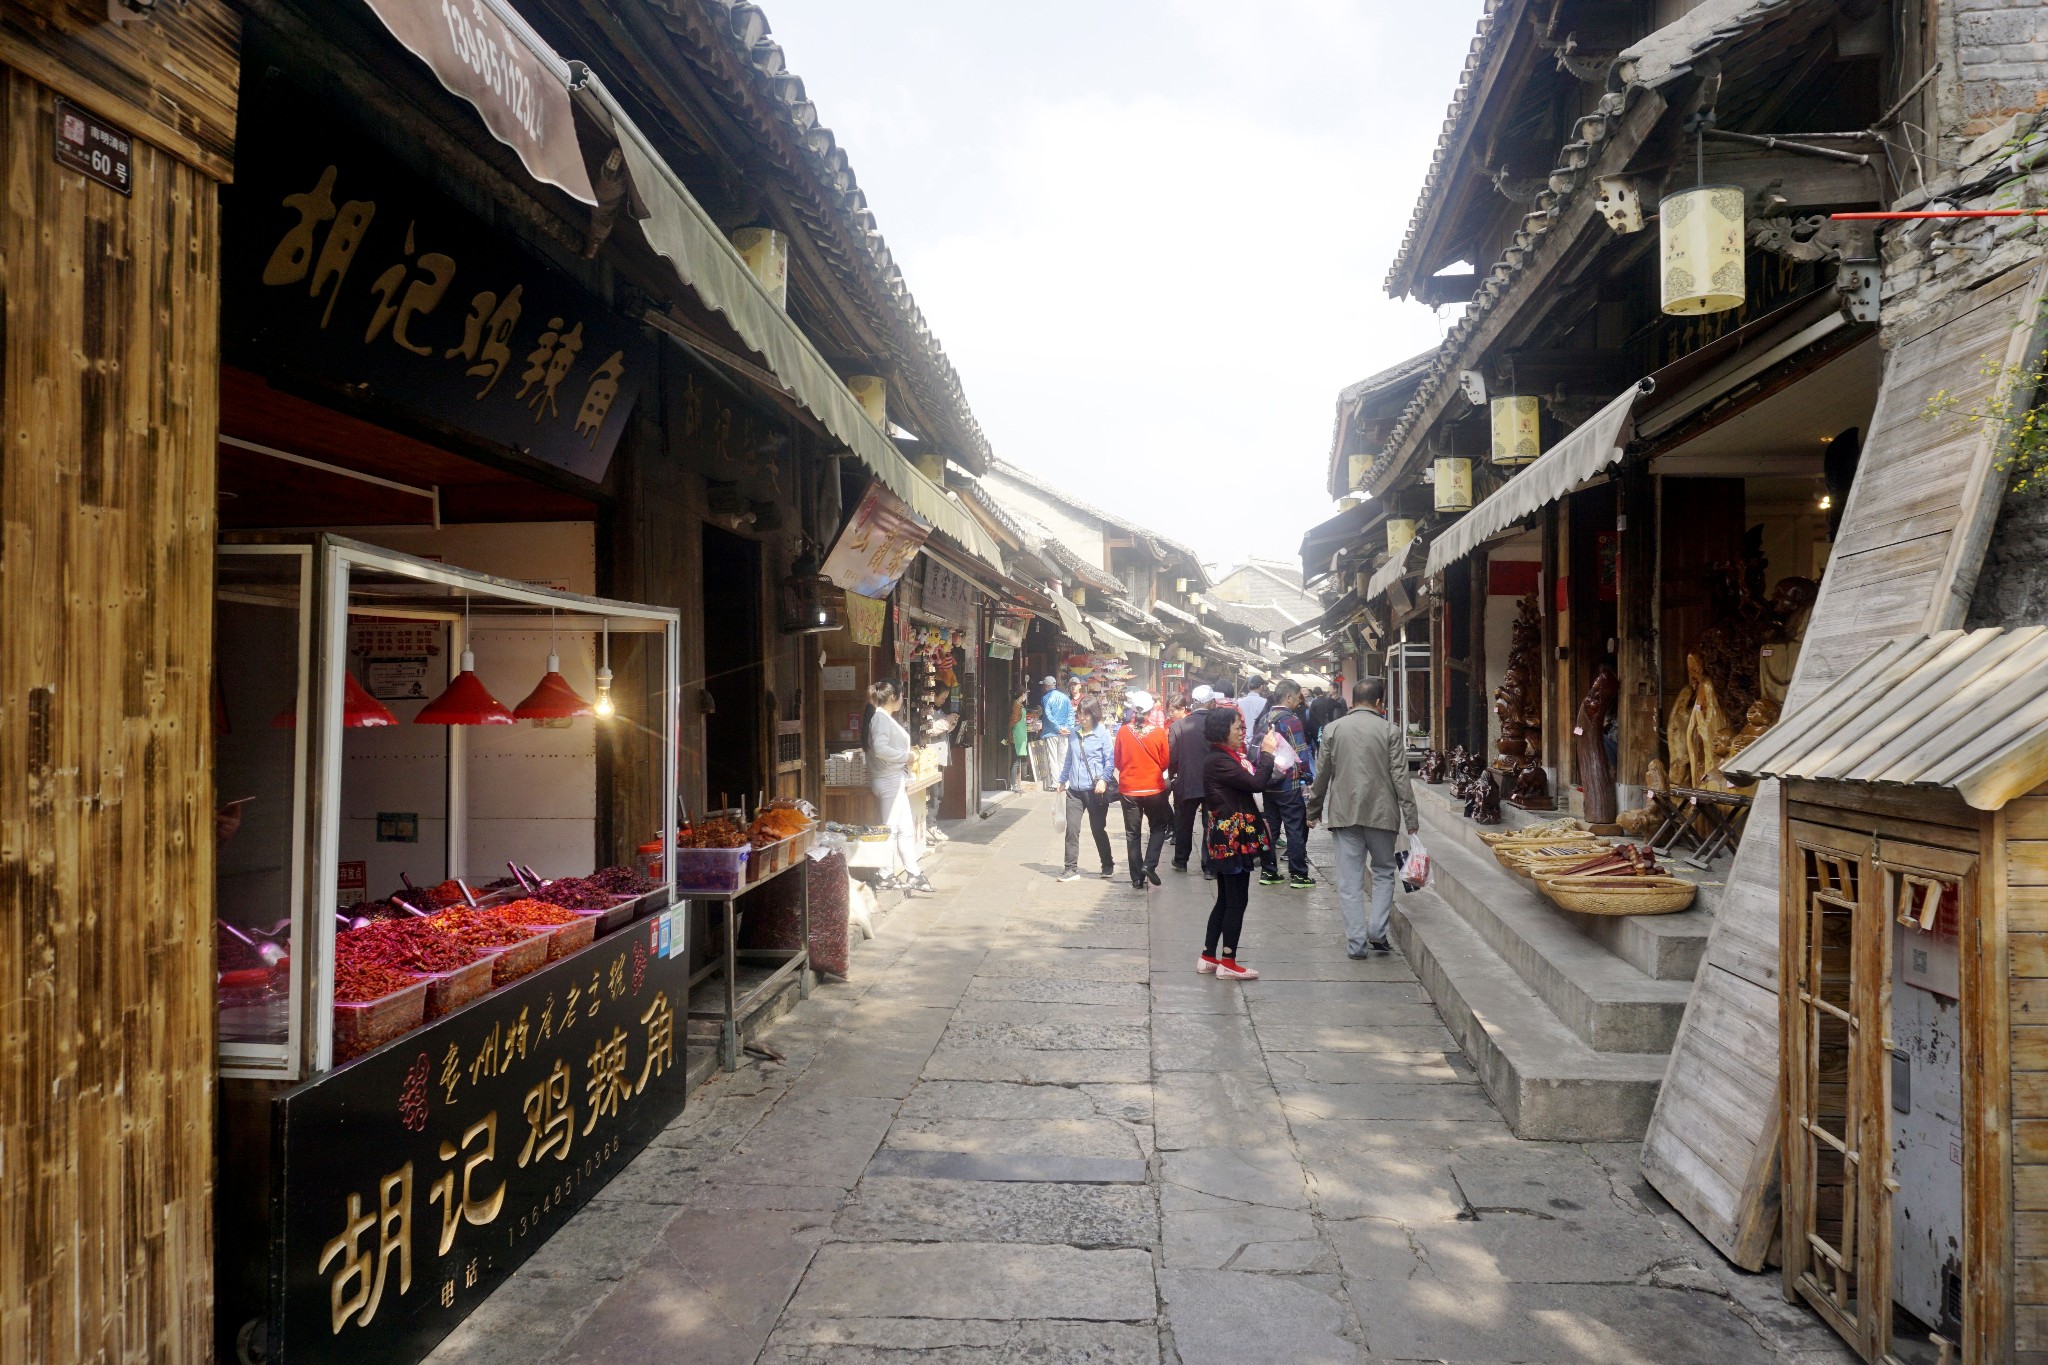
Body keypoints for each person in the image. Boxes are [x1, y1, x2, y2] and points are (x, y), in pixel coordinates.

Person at [1306, 677, 1418, 957]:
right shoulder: (1390, 730)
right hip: (1382, 814)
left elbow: (1322, 775)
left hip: (1344, 814)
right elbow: (1401, 778)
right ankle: (1377, 931)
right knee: (1383, 872)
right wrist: (1411, 819)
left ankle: (1356, 944)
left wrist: (1313, 810)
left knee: (1349, 881)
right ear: (1379, 702)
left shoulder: (1332, 729)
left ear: (1353, 702)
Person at [1199, 708, 1280, 980]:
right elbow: (1256, 783)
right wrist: (1268, 753)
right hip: (1232, 840)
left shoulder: (1223, 757)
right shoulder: (1220, 760)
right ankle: (1228, 962)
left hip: (1228, 838)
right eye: (1237, 728)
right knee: (1236, 901)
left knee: (1226, 899)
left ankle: (1208, 956)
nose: (1241, 733)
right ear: (1223, 731)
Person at [864, 680, 932, 894]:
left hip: (893, 779)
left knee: (904, 829)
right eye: (901, 696)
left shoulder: (883, 717)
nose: (903, 700)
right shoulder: (880, 718)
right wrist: (906, 757)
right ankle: (885, 875)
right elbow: (880, 749)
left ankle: (913, 873)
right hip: (888, 780)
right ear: (894, 697)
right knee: (891, 829)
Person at [1254, 681, 1316, 888]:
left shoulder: (1264, 718)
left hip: (1267, 781)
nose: (1299, 702)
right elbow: (1301, 752)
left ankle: (1268, 871)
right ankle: (1298, 874)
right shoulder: (1292, 720)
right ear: (1288, 697)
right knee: (1294, 828)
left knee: (1270, 829)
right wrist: (1308, 778)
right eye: (1298, 698)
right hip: (1289, 783)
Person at [1114, 690, 1172, 889]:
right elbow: (1164, 762)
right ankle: (1149, 864)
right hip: (1153, 788)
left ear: (1133, 710)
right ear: (1151, 710)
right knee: (1158, 827)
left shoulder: (1123, 731)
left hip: (1129, 789)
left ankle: (1136, 878)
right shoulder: (1158, 732)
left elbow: (1118, 761)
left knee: (1132, 833)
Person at [1058, 700, 1117, 882]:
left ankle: (1107, 864)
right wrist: (1062, 780)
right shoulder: (1074, 733)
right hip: (1074, 791)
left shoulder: (1102, 734)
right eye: (1080, 714)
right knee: (1072, 829)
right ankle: (1070, 868)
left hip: (1095, 791)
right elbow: (1069, 759)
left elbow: (1110, 761)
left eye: (1086, 714)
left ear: (1094, 714)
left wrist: (1104, 780)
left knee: (1097, 829)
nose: (1082, 718)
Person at [1168, 685, 1215, 874]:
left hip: (1187, 782)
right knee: (1210, 823)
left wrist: (1173, 777)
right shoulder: (1217, 724)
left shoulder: (1177, 726)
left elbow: (1172, 758)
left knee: (1184, 823)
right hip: (1213, 783)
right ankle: (1209, 866)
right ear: (1211, 703)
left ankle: (1181, 860)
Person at [1039, 673, 1075, 784]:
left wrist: (1058, 728)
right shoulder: (1065, 697)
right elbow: (1071, 714)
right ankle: (1065, 782)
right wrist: (1067, 728)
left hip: (1051, 733)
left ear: (1046, 686)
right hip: (1064, 733)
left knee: (1052, 759)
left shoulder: (1046, 698)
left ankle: (1056, 783)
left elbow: (1048, 716)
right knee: (1063, 759)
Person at [1304, 684, 1347, 759]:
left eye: (1330, 688)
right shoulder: (1327, 699)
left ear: (1335, 689)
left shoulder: (1341, 700)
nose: (1329, 690)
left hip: (1338, 724)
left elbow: (1344, 711)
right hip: (1328, 723)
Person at [1009, 688, 1031, 788]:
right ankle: (1013, 784)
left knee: (1017, 760)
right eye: (1025, 693)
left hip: (1020, 735)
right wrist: (1010, 733)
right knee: (1016, 761)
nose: (1026, 696)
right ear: (1022, 694)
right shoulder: (1016, 705)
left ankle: (1015, 784)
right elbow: (1013, 720)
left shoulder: (1019, 704)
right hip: (1016, 735)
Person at [1237, 675, 1270, 740]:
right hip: (1257, 740)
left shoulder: (1239, 702)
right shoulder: (1265, 702)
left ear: (1248, 687)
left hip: (1241, 739)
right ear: (1261, 687)